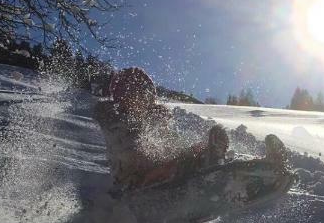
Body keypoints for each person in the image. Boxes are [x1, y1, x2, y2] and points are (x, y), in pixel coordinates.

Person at [94, 67, 229, 189]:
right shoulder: (115, 122)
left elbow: (174, 146)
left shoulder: (155, 122)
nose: (142, 98)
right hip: (132, 184)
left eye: (146, 93)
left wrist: (194, 150)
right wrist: (170, 162)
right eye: (135, 92)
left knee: (200, 148)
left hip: (164, 175)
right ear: (122, 97)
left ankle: (215, 166)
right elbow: (130, 155)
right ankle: (207, 174)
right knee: (178, 164)